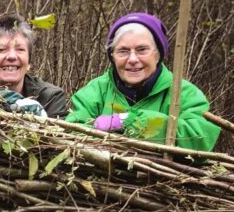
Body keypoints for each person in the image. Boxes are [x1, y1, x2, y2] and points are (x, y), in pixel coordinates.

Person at [66, 13, 220, 152]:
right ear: (112, 56)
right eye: (123, 51)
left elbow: (200, 139)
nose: (132, 59)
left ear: (158, 54)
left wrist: (129, 121)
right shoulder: (95, 91)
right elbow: (70, 133)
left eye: (142, 50)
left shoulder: (184, 93)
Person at [0, 14, 68, 118]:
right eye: (2, 49)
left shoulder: (50, 98)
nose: (12, 56)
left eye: (20, 49)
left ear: (29, 62)